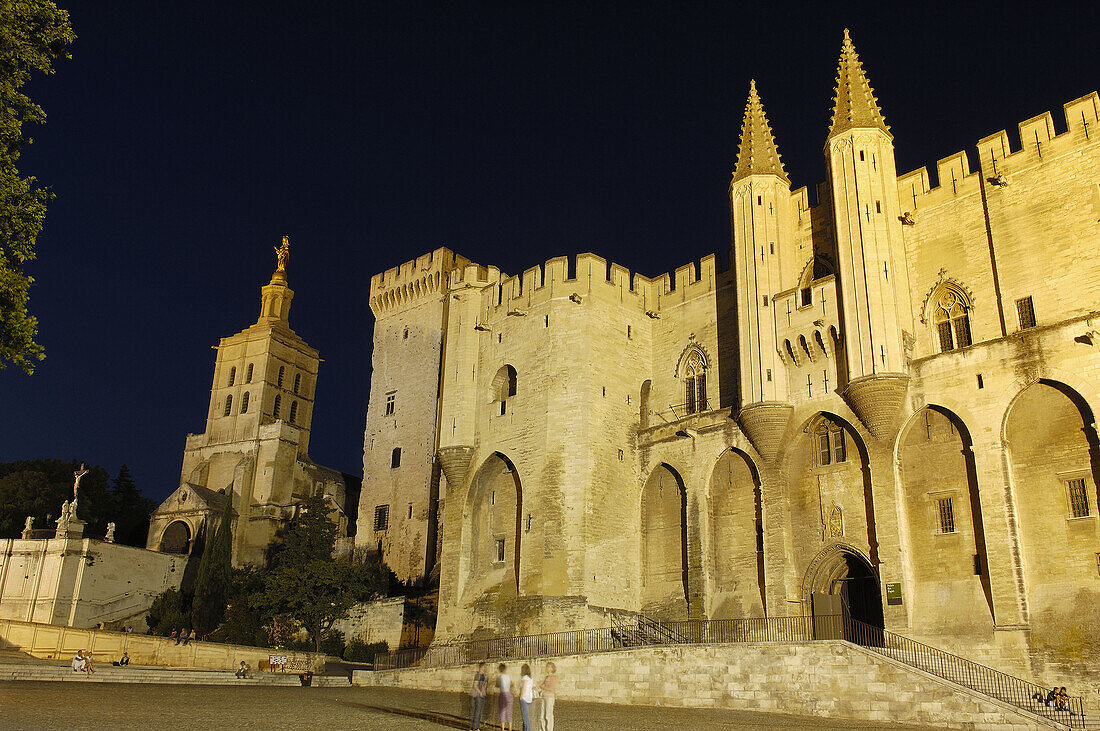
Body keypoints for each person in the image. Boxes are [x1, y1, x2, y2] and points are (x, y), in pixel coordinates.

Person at [538, 662, 557, 731]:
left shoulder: (553, 677)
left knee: (548, 715)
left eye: (548, 667)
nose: (547, 668)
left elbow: (551, 688)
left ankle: (549, 729)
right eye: (547, 667)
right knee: (542, 715)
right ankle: (543, 729)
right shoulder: (546, 677)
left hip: (550, 697)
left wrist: (544, 688)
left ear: (552, 668)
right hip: (544, 696)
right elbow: (540, 685)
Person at [470, 661, 488, 730]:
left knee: (479, 711)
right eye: (484, 667)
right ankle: (475, 728)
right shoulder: (478, 675)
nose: (485, 668)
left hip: (482, 695)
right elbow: (475, 686)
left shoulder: (484, 675)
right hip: (478, 695)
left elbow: (484, 685)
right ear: (481, 667)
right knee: (477, 712)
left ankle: (476, 726)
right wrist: (480, 693)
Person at [518, 664, 535, 731]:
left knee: (525, 717)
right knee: (527, 716)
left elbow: (524, 687)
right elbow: (534, 686)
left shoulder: (524, 677)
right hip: (529, 698)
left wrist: (521, 696)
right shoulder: (531, 678)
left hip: (524, 698)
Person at [497, 663, 513, 731]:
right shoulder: (508, 676)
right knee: (509, 712)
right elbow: (511, 684)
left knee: (502, 712)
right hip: (509, 694)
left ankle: (503, 729)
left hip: (503, 695)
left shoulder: (500, 677)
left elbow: (497, 685)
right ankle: (510, 728)